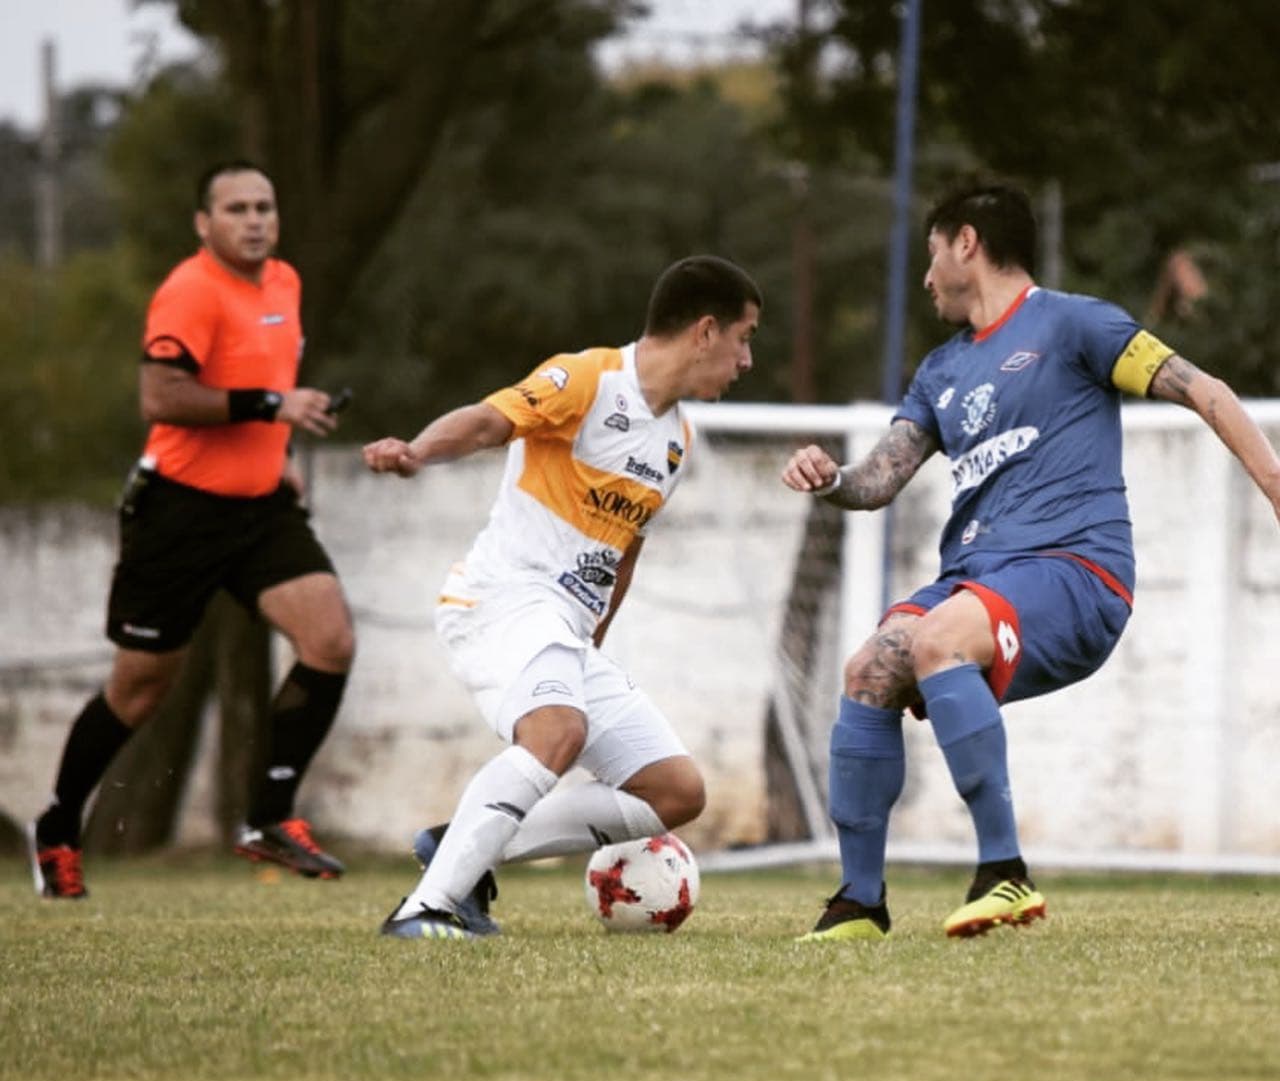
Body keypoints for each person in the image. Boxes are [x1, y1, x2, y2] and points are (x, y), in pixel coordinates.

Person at [782, 181, 1280, 941]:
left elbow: (1202, 389)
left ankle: (1004, 873)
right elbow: (880, 480)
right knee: (868, 669)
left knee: (935, 638)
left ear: (967, 244)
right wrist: (832, 481)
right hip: (979, 578)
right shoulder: (940, 372)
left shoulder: (1077, 324)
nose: (925, 278)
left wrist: (1275, 484)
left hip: (1076, 571)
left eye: (931, 254)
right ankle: (858, 901)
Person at [363, 255, 762, 939]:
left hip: (563, 628)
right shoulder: (588, 378)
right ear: (704, 332)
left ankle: (460, 842)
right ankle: (425, 910)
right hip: (502, 600)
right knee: (557, 734)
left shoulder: (676, 439)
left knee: (674, 791)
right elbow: (491, 420)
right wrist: (420, 452)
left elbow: (626, 546)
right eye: (744, 337)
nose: (747, 359)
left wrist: (590, 642)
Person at [29, 160, 355, 898]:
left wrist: (281, 454)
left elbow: (263, 388)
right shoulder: (189, 291)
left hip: (260, 507)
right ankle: (56, 826)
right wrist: (274, 407)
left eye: (264, 206)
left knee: (329, 639)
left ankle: (269, 817)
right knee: (140, 689)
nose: (254, 220)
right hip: (177, 510)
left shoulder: (285, 283)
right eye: (236, 208)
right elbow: (163, 394)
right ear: (203, 224)